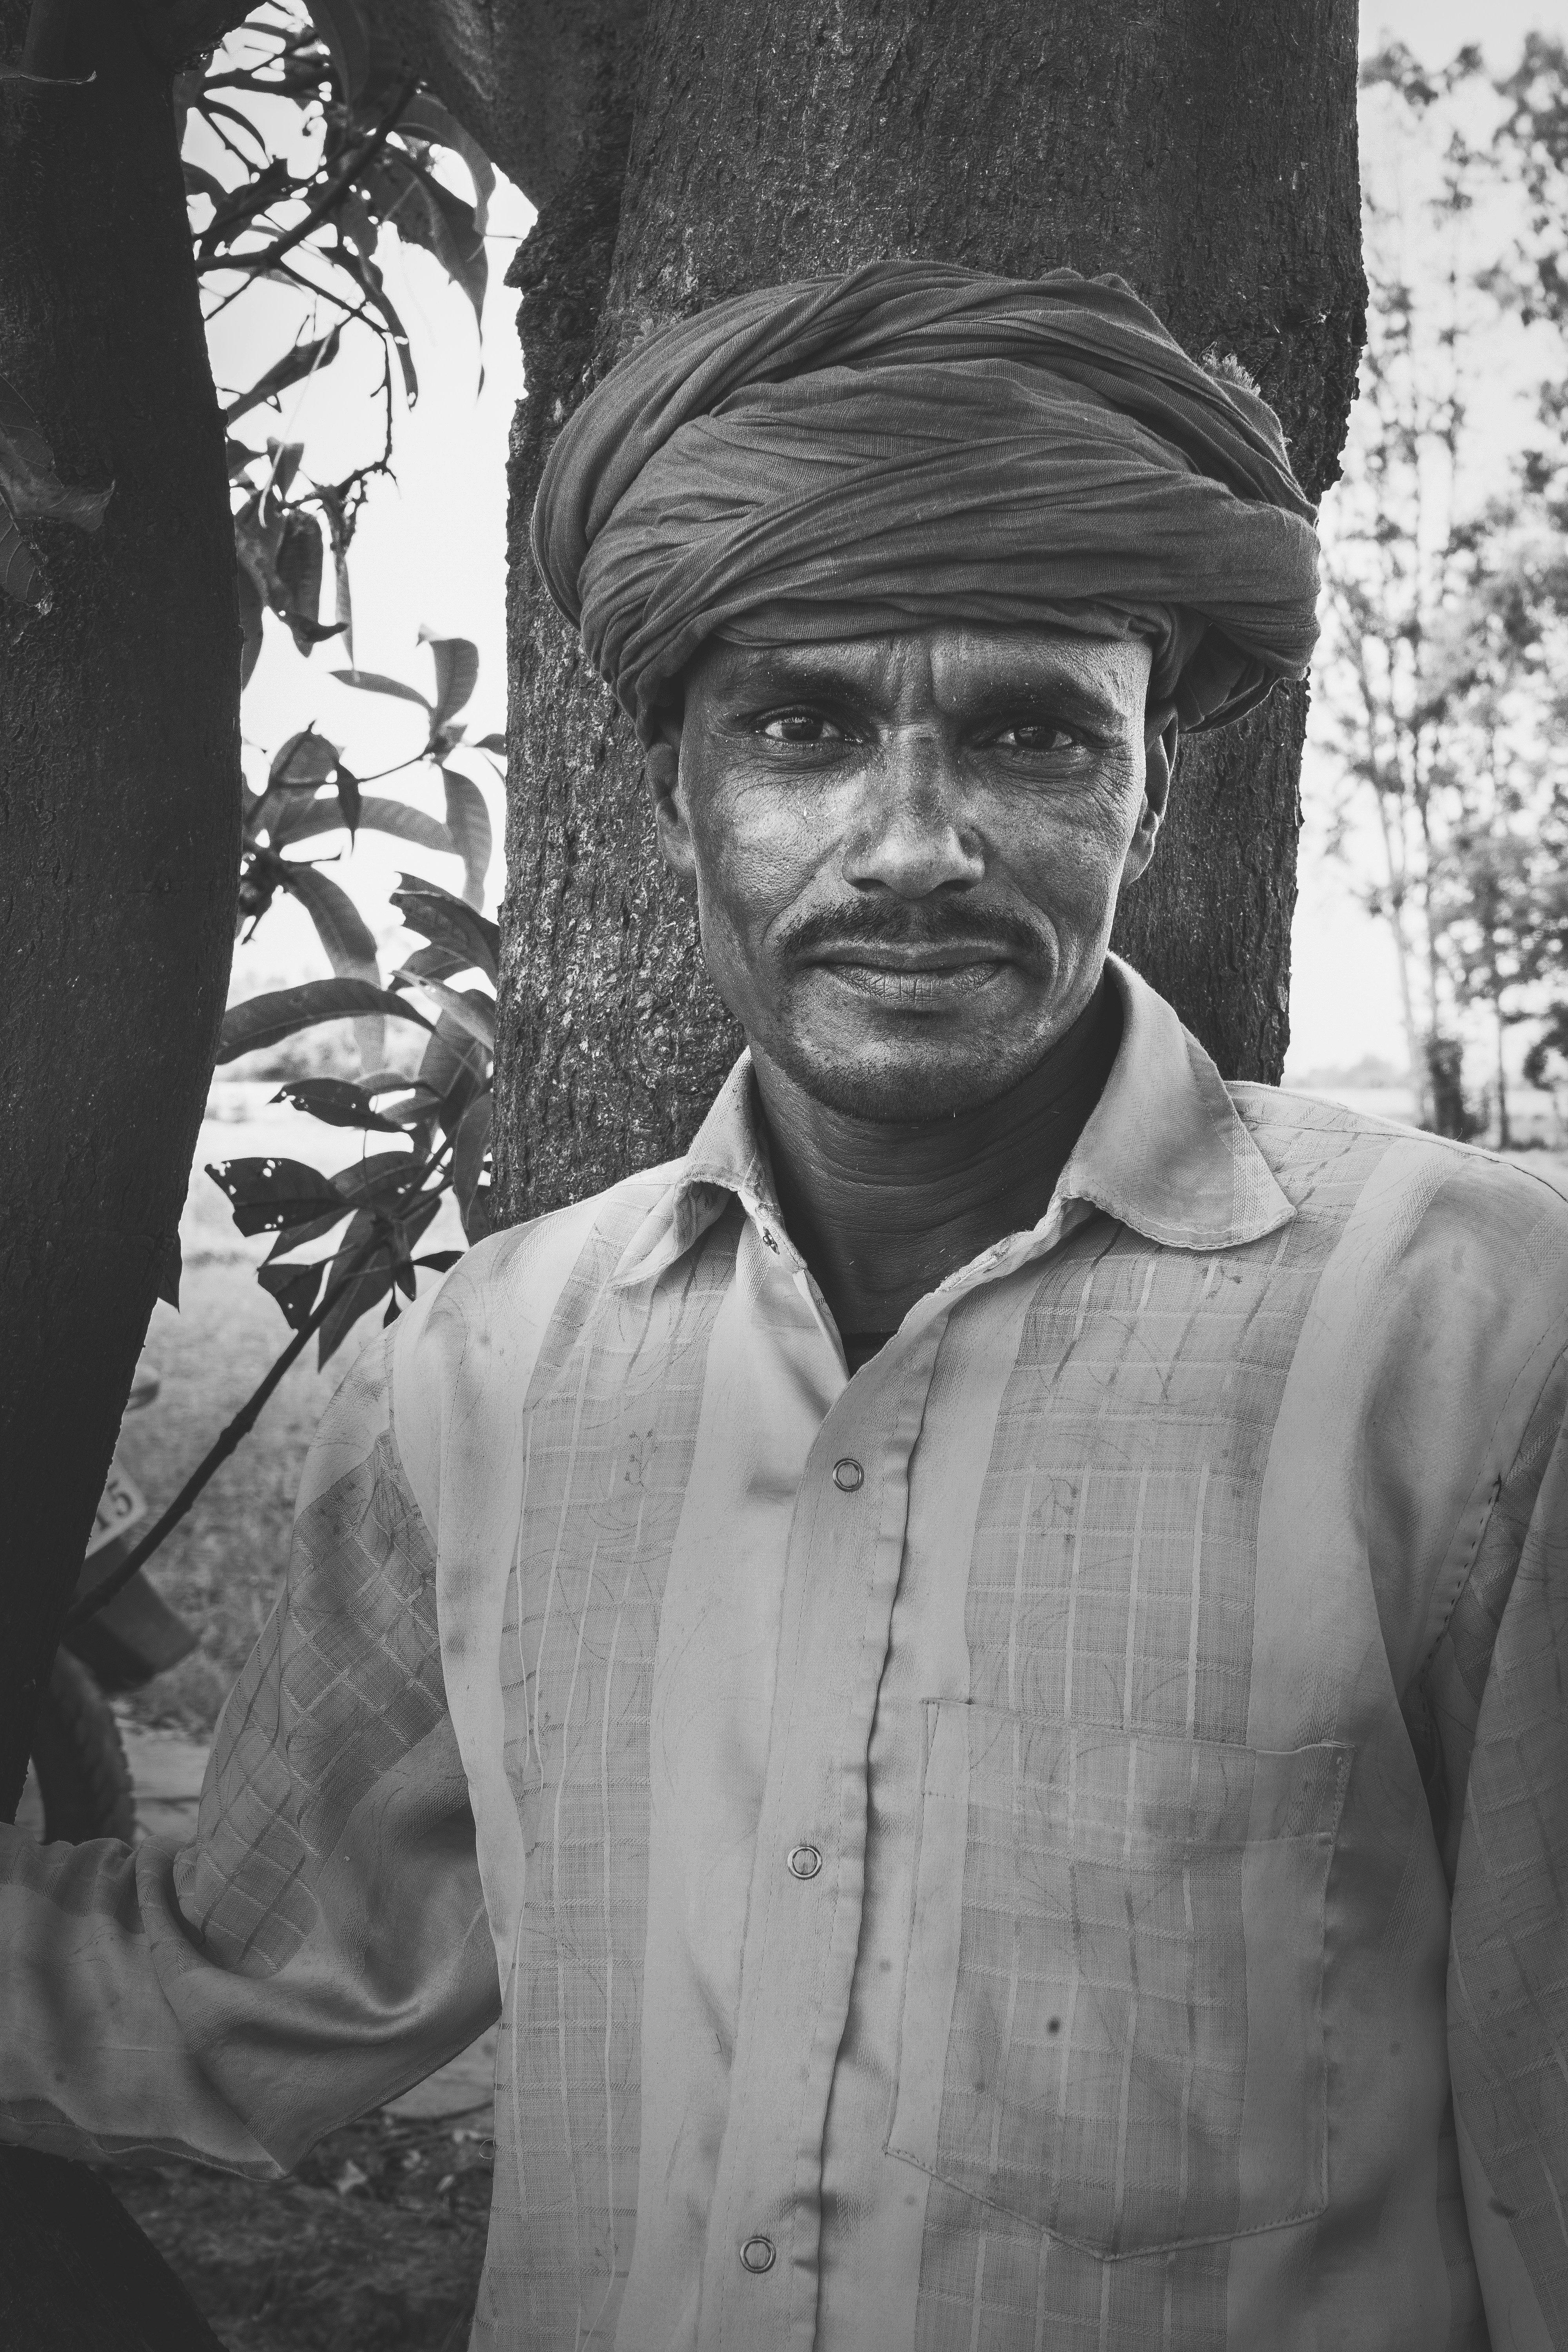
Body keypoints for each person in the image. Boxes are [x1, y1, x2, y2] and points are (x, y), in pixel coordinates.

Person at [3, 260, 1565, 2352]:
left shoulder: (1480, 1340)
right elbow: (259, 1984)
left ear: (1147, 789)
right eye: (802, 729)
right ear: (673, 794)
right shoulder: (503, 1368)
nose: (912, 843)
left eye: (1026, 731)